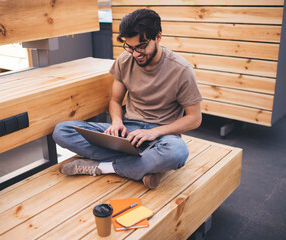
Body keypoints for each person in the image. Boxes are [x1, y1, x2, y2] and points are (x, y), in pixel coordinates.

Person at [53, 9, 202, 189]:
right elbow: (115, 101)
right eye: (130, 47)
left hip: (162, 136)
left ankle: (104, 167)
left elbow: (195, 118)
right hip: (127, 131)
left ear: (158, 37)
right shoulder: (124, 60)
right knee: (62, 131)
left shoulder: (181, 69)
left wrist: (154, 132)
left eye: (141, 46)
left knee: (177, 153)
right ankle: (144, 167)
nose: (136, 54)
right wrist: (116, 122)